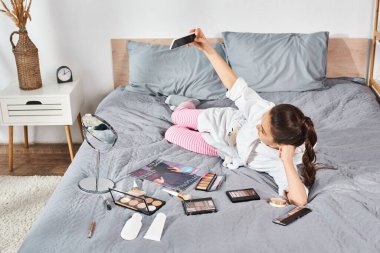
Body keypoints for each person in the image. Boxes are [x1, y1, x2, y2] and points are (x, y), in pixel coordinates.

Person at [164, 28, 317, 206]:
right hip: (223, 121)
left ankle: (187, 113)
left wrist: (288, 162)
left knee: (171, 133)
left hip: (222, 146)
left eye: (262, 130)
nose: (258, 125)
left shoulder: (280, 163)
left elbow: (299, 200)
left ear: (279, 146)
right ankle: (188, 103)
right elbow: (235, 85)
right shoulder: (263, 111)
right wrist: (208, 49)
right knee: (177, 116)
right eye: (262, 121)